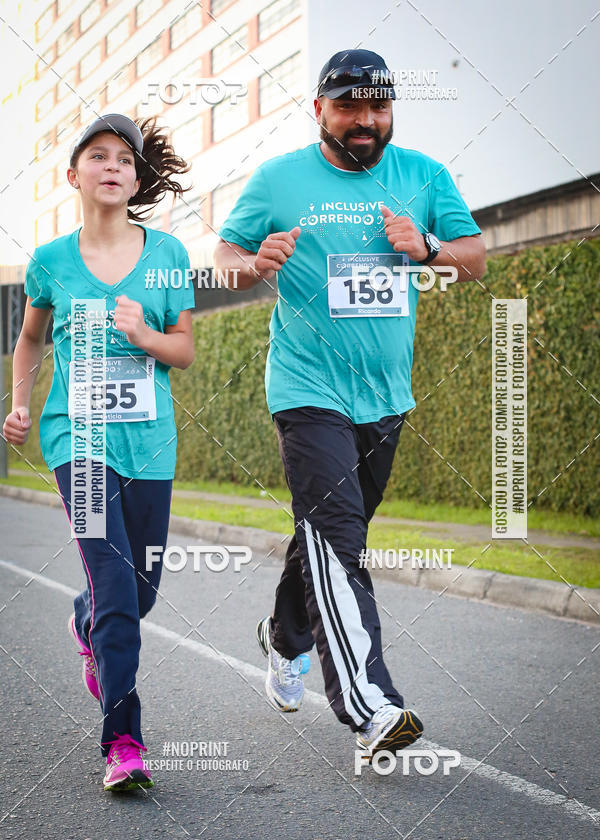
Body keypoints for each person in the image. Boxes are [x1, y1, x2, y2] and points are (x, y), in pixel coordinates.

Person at [214, 49, 486, 761]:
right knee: (336, 540)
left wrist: (428, 248)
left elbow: (475, 255)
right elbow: (224, 255)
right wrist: (252, 264)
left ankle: (285, 634)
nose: (365, 120)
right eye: (349, 106)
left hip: (386, 401)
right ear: (319, 111)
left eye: (378, 107)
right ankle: (372, 708)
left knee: (331, 538)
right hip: (307, 392)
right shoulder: (280, 179)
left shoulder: (423, 176)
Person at [3, 114, 195, 790]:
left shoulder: (168, 253)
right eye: (98, 156)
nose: (113, 166)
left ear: (137, 179)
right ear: (74, 175)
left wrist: (145, 334)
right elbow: (29, 340)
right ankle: (123, 741)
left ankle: (85, 620)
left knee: (137, 592)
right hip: (76, 440)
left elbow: (185, 350)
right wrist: (21, 402)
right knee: (116, 582)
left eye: (125, 159)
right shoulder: (50, 262)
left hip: (149, 445)